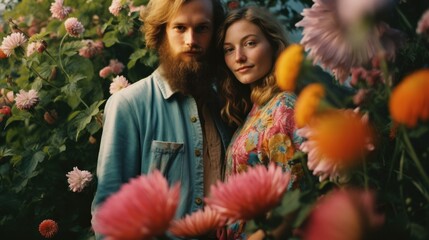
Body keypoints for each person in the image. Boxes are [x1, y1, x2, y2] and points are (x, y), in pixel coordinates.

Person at [91, 0, 230, 239]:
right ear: (162, 31)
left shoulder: (224, 108)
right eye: (179, 28)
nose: (191, 40)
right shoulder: (129, 105)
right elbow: (108, 216)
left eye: (202, 28)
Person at [217, 6, 305, 239]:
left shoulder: (283, 108)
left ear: (274, 46)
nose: (238, 57)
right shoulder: (256, 109)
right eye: (229, 49)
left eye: (250, 43)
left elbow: (293, 202)